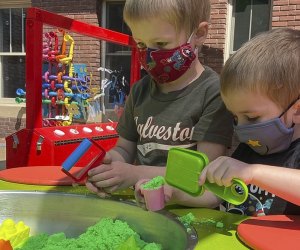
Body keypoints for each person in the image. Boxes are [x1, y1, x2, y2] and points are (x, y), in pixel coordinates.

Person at [137, 28, 300, 216]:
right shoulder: (248, 151)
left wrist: (254, 173)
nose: (241, 128)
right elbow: (215, 196)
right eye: (235, 118)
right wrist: (171, 193)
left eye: (252, 117)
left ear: (296, 111)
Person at [86, 0, 233, 201]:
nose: (150, 55)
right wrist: (110, 167)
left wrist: (134, 174)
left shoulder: (214, 92)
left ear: (198, 34)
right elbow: (124, 149)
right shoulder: (140, 90)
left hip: (192, 212)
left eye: (161, 44)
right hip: (144, 206)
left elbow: (205, 179)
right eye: (141, 44)